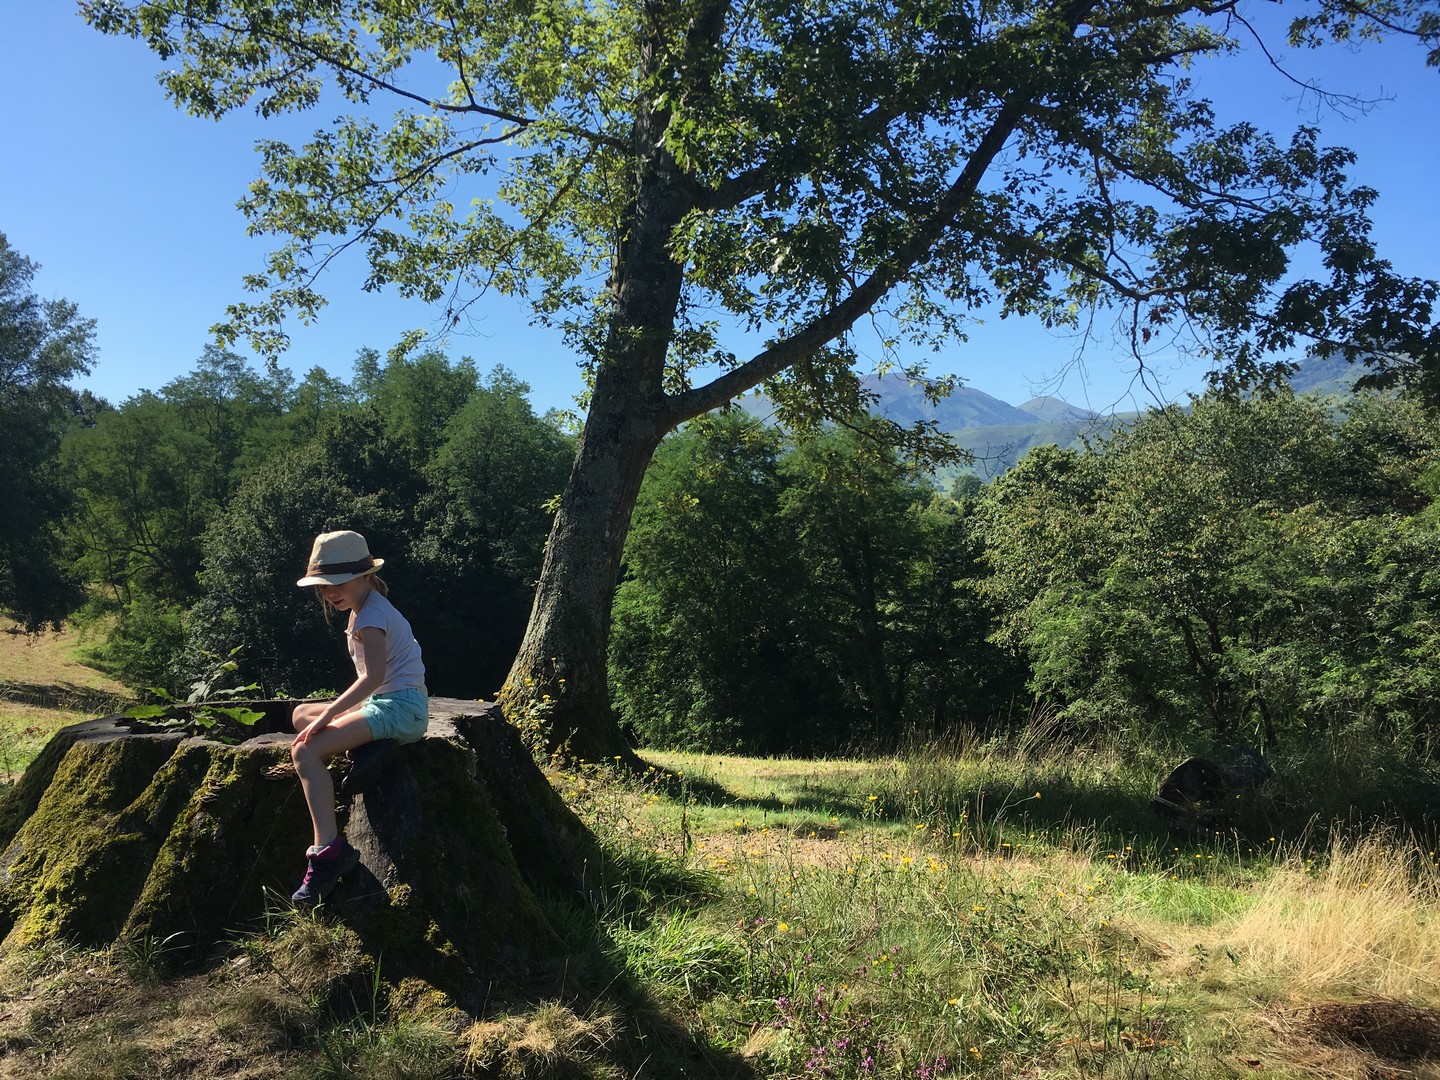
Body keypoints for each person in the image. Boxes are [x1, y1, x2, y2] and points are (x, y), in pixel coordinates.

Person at [288, 529, 429, 904]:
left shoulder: (371, 616)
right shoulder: (366, 608)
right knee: (301, 715)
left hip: (400, 709)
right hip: (389, 704)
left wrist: (332, 715)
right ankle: (372, 745)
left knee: (303, 752)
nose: (331, 592)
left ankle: (329, 853)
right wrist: (325, 716)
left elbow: (375, 677)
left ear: (365, 576)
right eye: (324, 586)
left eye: (340, 583)